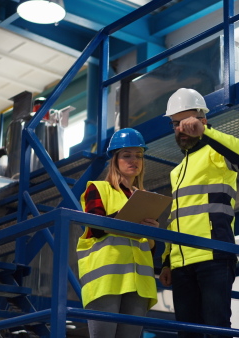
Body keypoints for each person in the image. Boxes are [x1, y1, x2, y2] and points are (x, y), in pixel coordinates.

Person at [158, 88, 239, 337]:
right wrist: (168, 262)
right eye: (175, 124)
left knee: (216, 328)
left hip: (213, 255)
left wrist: (207, 133)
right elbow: (175, 220)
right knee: (187, 333)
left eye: (186, 121)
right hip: (181, 264)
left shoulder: (217, 153)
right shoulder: (176, 171)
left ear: (202, 119)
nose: (180, 129)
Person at [76, 128, 159, 338]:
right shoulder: (98, 189)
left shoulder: (145, 198)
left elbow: (150, 247)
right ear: (115, 160)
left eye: (139, 156)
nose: (134, 160)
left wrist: (151, 233)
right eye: (127, 155)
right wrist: (127, 218)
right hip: (107, 281)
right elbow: (95, 226)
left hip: (139, 283)